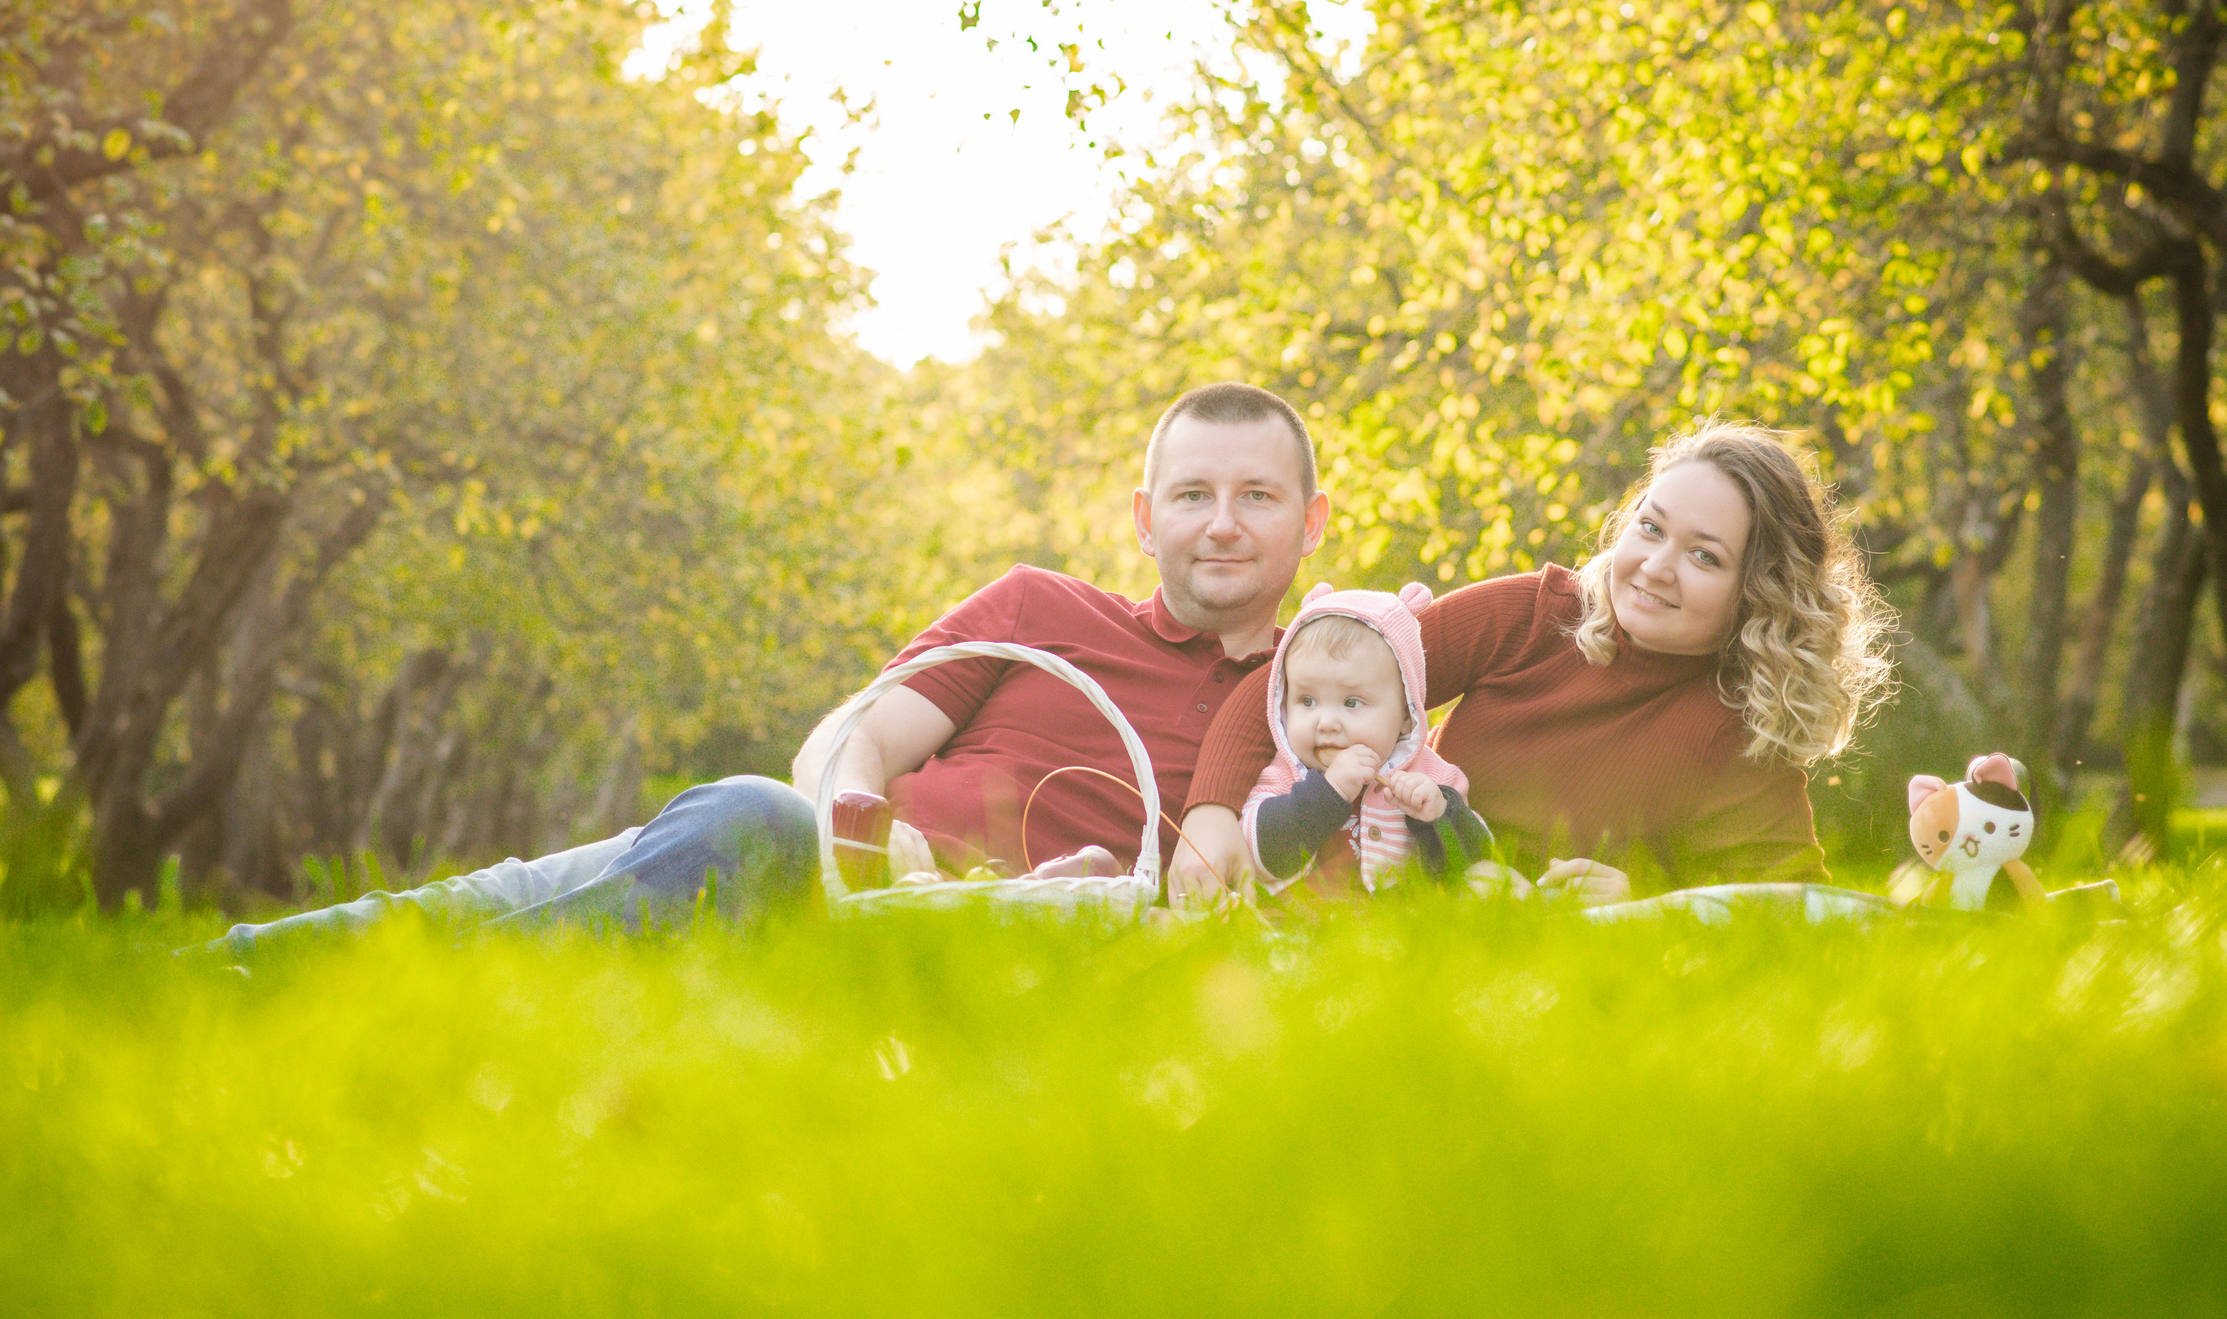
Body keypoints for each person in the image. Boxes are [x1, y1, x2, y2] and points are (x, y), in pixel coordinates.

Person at [212, 383, 1328, 951]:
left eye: (1256, 496)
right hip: (819, 870)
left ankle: (392, 1007)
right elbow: (854, 737)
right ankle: (226, 973)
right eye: (1193, 494)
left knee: (661, 860)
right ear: (1144, 517)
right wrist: (858, 829)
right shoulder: (1040, 607)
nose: (1221, 524)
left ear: (1312, 521)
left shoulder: (1319, 698)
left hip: (971, 939)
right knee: (498, 892)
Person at [1172, 421, 1894, 907]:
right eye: (1650, 528)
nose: (1655, 567)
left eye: (1704, 556)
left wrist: (1641, 902)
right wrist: (1209, 817)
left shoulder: (1741, 734)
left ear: (1760, 590)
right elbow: (1293, 682)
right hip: (1390, 914)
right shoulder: (1532, 616)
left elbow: (1785, 913)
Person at [1242, 582, 1494, 894]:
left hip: (1399, 924)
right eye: (1307, 701)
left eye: (1351, 703)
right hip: (1298, 922)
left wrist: (1439, 815)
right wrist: (1328, 792)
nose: (1326, 722)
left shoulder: (1430, 778)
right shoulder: (1286, 773)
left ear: (1406, 715)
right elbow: (1255, 856)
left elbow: (1480, 865)